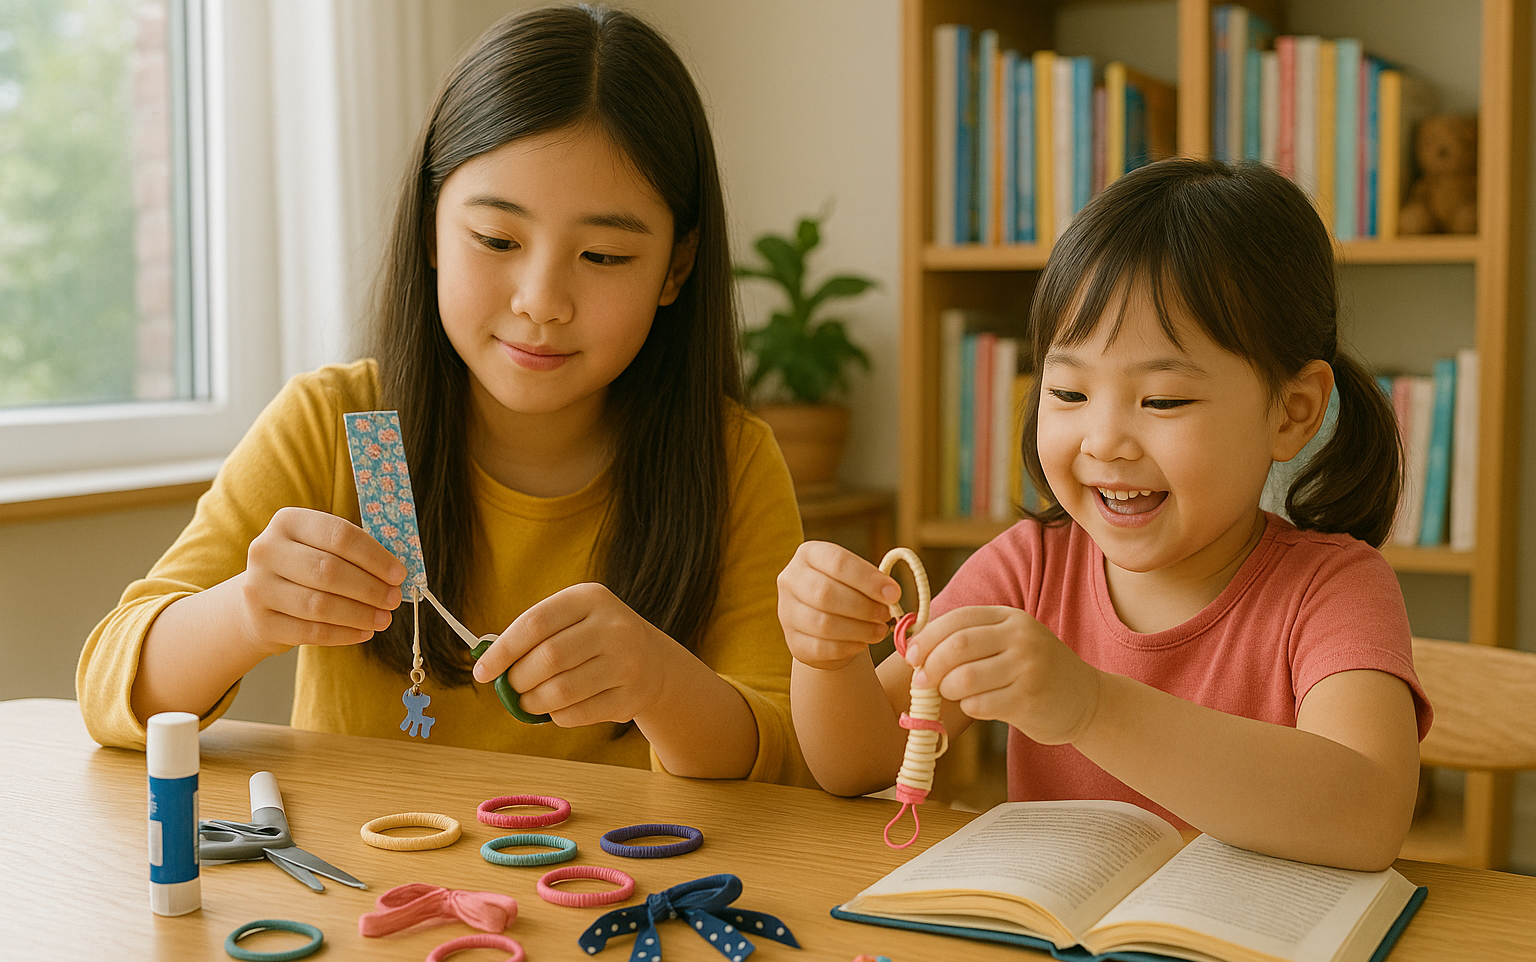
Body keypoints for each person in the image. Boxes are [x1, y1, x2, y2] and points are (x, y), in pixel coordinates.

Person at [78, 5, 811, 786]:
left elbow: (782, 761)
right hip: (356, 888)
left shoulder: (726, 462)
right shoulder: (345, 430)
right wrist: (245, 611)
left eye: (602, 255)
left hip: (612, 890)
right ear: (431, 227)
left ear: (675, 269)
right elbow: (109, 692)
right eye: (497, 241)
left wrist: (662, 683)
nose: (542, 300)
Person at [782, 160, 1432, 869]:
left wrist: (1092, 707)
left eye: (1162, 401)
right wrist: (824, 657)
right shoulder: (1027, 567)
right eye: (1067, 393)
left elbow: (1366, 816)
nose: (1104, 442)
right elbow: (859, 762)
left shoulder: (1337, 589)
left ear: (1293, 410)